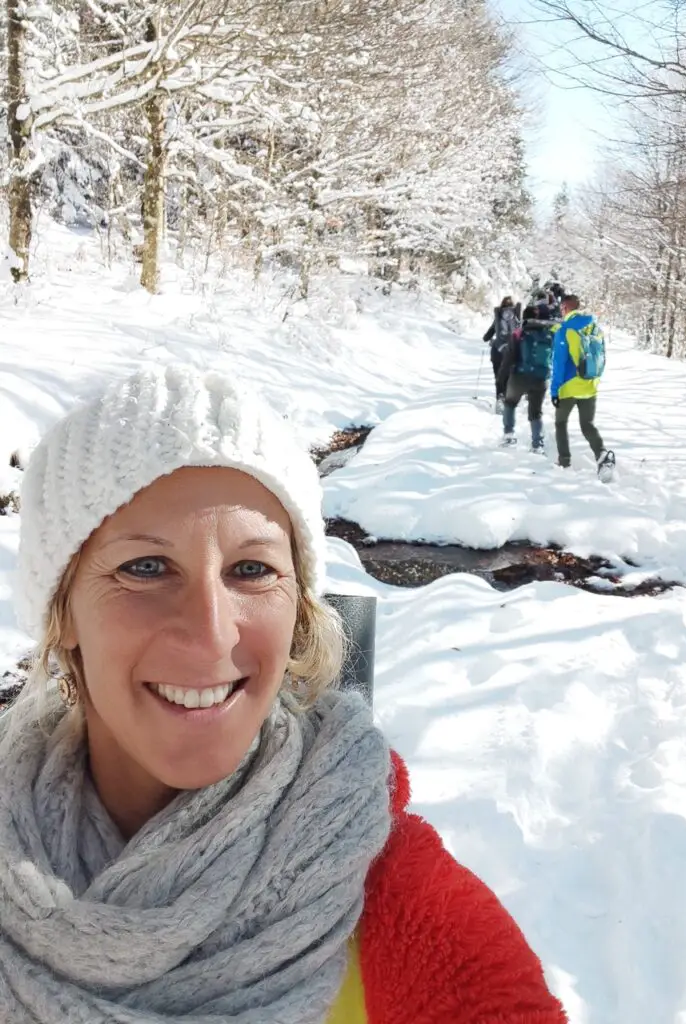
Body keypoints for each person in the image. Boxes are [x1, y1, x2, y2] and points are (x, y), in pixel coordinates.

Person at [0, 364, 567, 1024]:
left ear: (297, 608)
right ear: (60, 610)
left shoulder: (408, 912)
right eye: (145, 568)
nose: (212, 636)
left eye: (252, 569)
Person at [550, 294, 615, 479]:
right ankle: (602, 455)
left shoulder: (564, 330)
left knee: (561, 423)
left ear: (565, 308)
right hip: (590, 385)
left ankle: (564, 461)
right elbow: (602, 356)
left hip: (569, 387)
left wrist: (554, 391)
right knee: (587, 425)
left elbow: (559, 364)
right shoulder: (594, 326)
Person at [497, 305, 554, 451]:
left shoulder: (519, 333)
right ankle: (537, 444)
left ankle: (509, 436)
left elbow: (508, 359)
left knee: (510, 403)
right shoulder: (548, 334)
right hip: (541, 379)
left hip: (519, 377)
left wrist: (501, 380)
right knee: (536, 412)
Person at [483, 295, 520, 413]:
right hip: (512, 351)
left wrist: (487, 338)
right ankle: (508, 401)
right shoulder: (517, 318)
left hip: (497, 351)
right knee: (510, 376)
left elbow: (487, 335)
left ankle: (500, 398)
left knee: (499, 376)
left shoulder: (498, 317)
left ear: (502, 305)